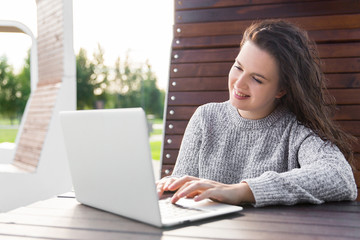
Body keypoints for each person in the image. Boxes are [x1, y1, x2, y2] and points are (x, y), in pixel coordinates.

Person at [156, 19, 358, 207]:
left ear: (281, 90)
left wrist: (244, 191)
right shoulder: (205, 118)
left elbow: (340, 177)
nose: (239, 83)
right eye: (238, 67)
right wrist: (168, 186)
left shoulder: (295, 131)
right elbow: (182, 184)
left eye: (257, 79)